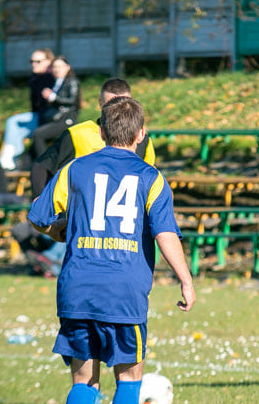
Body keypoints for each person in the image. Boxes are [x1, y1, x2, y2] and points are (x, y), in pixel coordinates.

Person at [28, 96, 196, 404]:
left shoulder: (76, 169)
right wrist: (185, 279)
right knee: (129, 378)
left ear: (101, 133)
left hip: (78, 289)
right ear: (141, 135)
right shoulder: (151, 177)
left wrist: (63, 231)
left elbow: (39, 216)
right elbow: (165, 232)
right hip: (124, 292)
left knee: (83, 379)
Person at [13, 78, 155, 278]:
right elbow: (41, 165)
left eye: (123, 103)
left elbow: (147, 185)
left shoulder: (143, 140)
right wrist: (39, 196)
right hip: (85, 220)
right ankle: (52, 262)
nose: (117, 109)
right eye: (110, 104)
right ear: (100, 104)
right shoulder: (78, 134)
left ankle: (51, 262)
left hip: (120, 229)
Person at [0, 48, 56, 171]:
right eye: (32, 61)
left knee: (13, 121)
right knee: (16, 129)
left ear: (48, 62)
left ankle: (11, 157)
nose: (34, 64)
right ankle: (12, 159)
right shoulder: (35, 79)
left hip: (48, 118)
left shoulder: (51, 77)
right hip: (37, 115)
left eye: (38, 61)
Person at [31, 56, 81, 160]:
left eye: (60, 66)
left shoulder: (72, 81)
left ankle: (45, 163)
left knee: (38, 134)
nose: (57, 69)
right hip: (54, 118)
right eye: (54, 67)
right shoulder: (57, 82)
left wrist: (53, 98)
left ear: (67, 67)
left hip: (66, 119)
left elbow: (72, 101)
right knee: (32, 148)